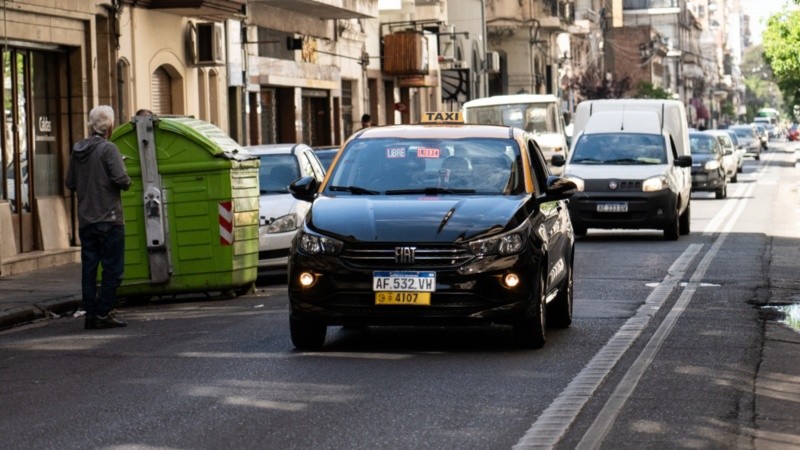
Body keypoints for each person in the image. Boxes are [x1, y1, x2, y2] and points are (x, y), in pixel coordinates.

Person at [66, 105, 132, 330]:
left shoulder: (78, 150)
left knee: (89, 269)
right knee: (113, 269)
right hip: (109, 219)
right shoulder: (109, 149)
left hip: (86, 220)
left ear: (91, 125)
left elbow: (70, 183)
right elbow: (122, 180)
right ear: (110, 126)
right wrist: (123, 170)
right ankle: (103, 313)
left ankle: (91, 315)